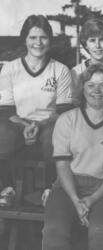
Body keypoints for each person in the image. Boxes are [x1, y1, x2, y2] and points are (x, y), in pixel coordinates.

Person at [42, 64, 103, 250]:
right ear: (82, 88)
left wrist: (92, 199)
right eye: (91, 85)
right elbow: (62, 165)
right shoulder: (67, 119)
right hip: (67, 186)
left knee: (102, 233)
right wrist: (76, 200)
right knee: (54, 231)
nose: (97, 91)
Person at [0, 15, 73, 206]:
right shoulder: (10, 69)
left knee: (54, 135)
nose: (38, 43)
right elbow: (6, 112)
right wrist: (26, 126)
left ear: (50, 39)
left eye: (43, 37)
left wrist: (39, 125)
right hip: (17, 124)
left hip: (49, 124)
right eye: (32, 37)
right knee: (1, 133)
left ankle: (50, 189)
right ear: (25, 39)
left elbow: (64, 111)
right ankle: (7, 189)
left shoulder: (61, 70)